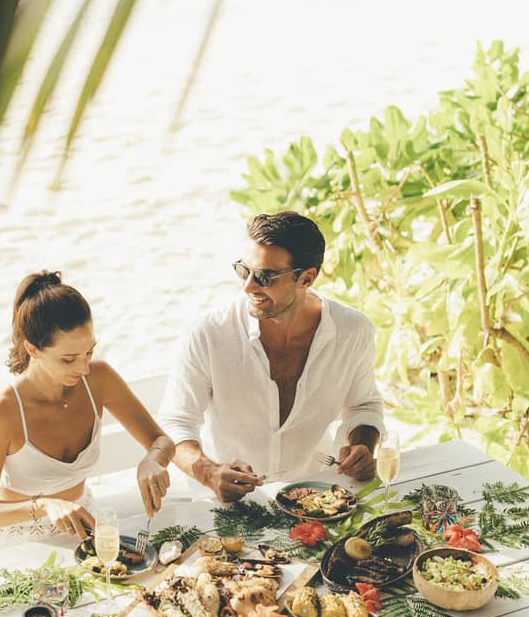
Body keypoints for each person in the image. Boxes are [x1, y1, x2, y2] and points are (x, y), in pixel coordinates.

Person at [160, 211, 386, 503]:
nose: (248, 286)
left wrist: (364, 446)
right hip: (229, 503)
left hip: (317, 495)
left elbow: (363, 405)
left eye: (265, 277)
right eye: (244, 270)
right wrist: (210, 472)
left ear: (306, 278)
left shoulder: (352, 331)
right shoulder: (208, 333)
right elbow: (175, 422)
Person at [0, 271, 174, 549]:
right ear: (33, 349)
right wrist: (44, 505)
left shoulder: (98, 379)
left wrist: (153, 460)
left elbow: (161, 440)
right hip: (22, 544)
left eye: (89, 352)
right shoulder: (3, 412)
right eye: (68, 359)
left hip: (87, 529)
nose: (84, 368)